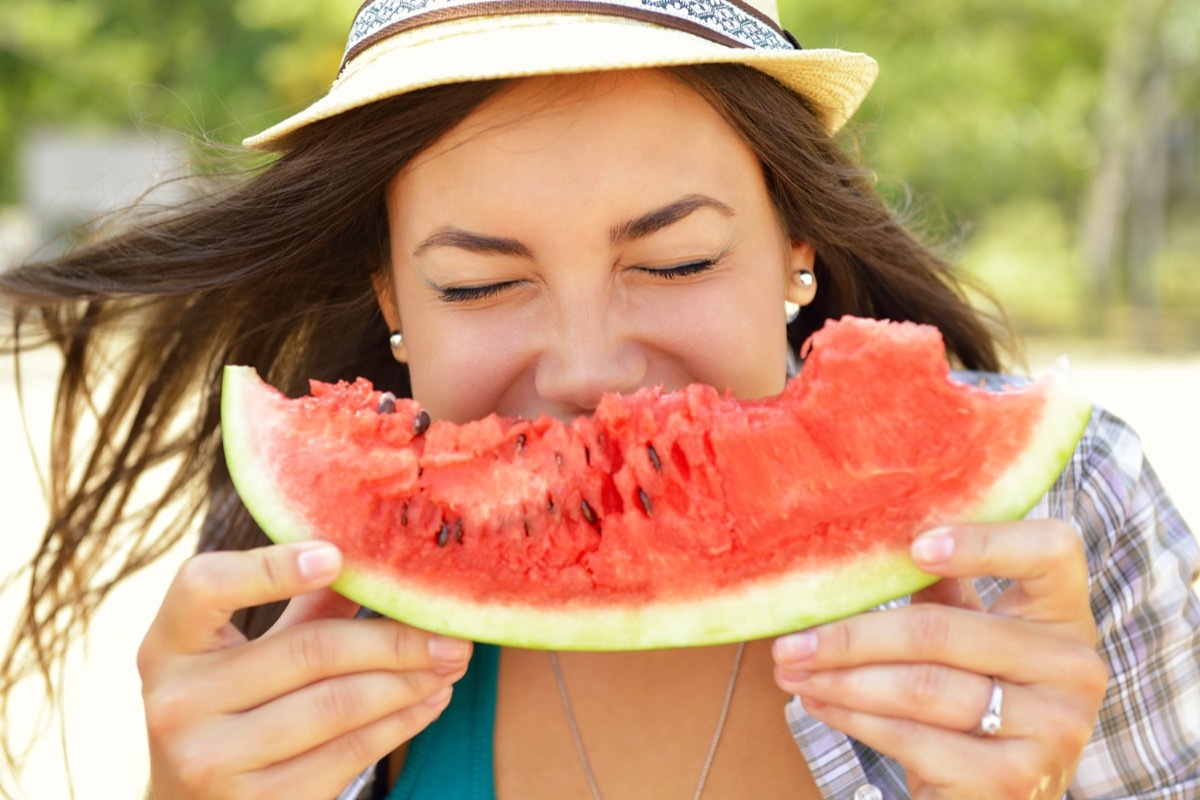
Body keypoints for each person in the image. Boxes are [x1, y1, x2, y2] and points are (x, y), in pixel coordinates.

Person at [2, 0, 1198, 798]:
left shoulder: (1063, 517)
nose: (588, 370)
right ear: (391, 292)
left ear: (798, 246)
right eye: (479, 281)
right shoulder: (294, 597)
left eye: (675, 262)